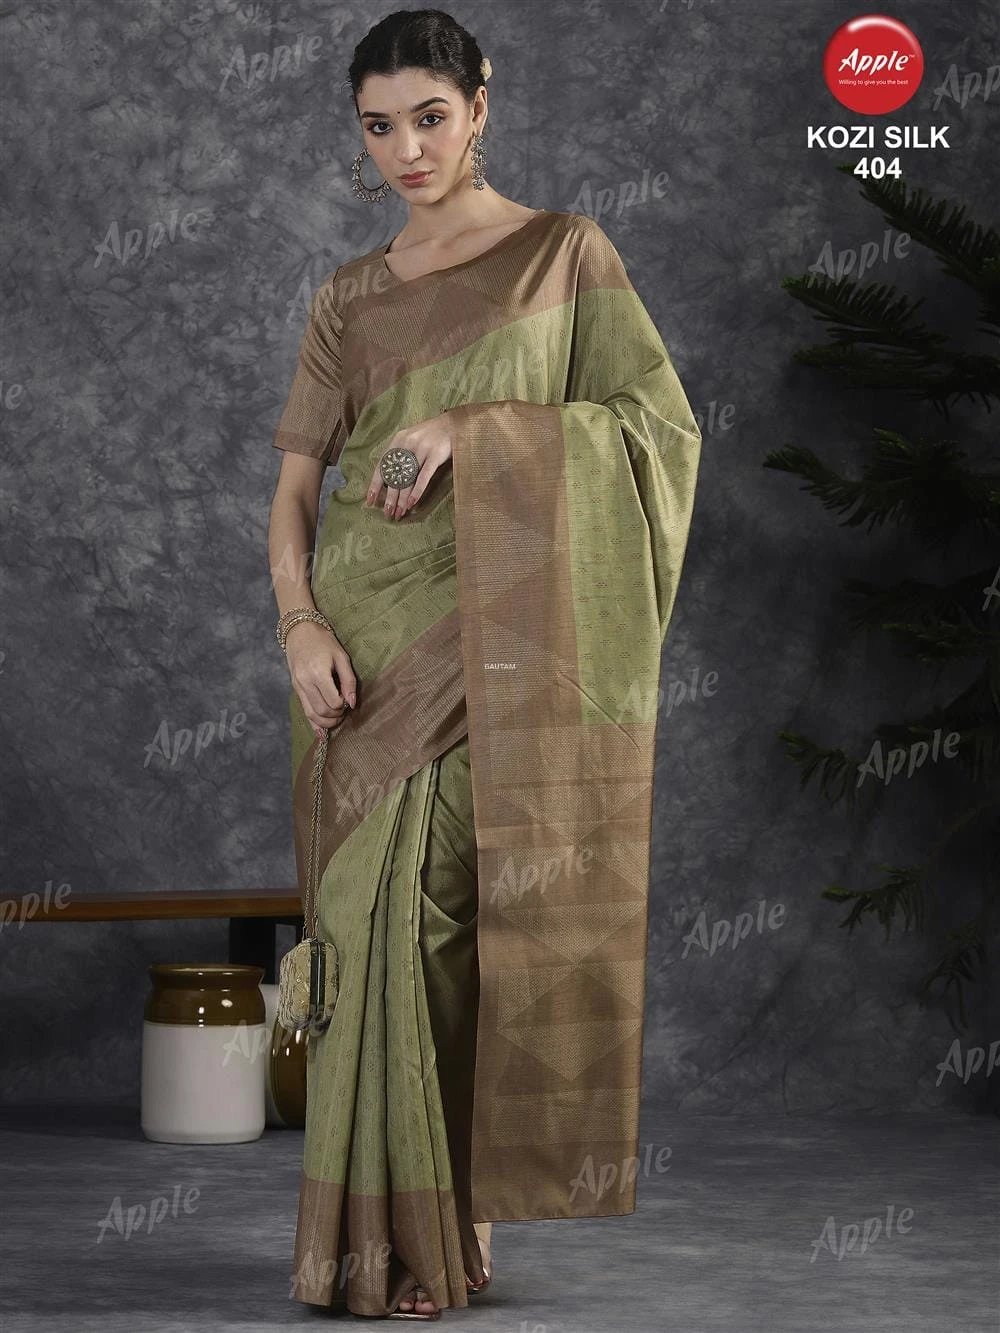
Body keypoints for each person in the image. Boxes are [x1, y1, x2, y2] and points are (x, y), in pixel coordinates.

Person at [267, 7, 702, 1321]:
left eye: (430, 118)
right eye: (379, 126)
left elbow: (657, 431)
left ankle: (445, 1229)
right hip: (361, 647)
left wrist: (474, 423)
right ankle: (366, 1242)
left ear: (481, 107)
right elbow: (295, 492)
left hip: (505, 646)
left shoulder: (564, 256)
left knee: (444, 926)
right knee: (361, 933)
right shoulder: (348, 296)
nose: (407, 149)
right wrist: (301, 624)